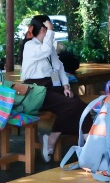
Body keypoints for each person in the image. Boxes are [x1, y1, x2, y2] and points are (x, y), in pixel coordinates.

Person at [21, 15, 90, 161]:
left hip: (53, 87)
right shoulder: (30, 46)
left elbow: (59, 68)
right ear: (43, 30)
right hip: (36, 90)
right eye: (48, 29)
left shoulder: (48, 48)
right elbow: (45, 50)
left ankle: (89, 146)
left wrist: (66, 85)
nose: (51, 33)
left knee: (83, 108)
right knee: (72, 106)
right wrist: (51, 31)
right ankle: (53, 141)